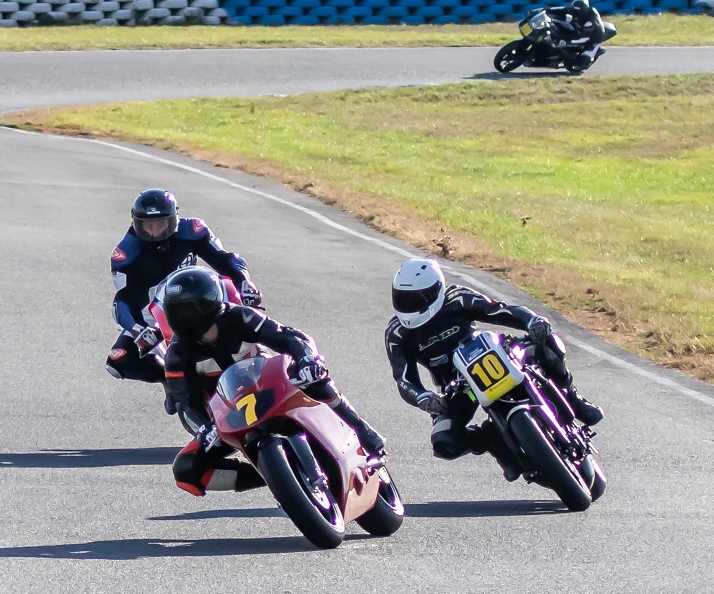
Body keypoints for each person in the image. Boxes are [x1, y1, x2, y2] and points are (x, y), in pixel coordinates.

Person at [160, 268, 385, 497]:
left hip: (271, 387)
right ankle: (274, 476)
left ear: (211, 302)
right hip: (229, 418)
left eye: (192, 308)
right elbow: (184, 404)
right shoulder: (177, 356)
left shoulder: (240, 317)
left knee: (311, 375)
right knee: (186, 468)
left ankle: (360, 428)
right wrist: (204, 429)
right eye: (177, 311)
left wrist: (308, 359)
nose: (187, 317)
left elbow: (287, 337)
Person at [384, 257, 602, 477]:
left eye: (417, 299)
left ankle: (572, 396)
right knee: (444, 442)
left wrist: (532, 321)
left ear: (437, 290)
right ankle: (490, 439)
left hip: (496, 355)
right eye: (402, 299)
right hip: (460, 389)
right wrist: (423, 397)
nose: (409, 306)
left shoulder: (457, 298)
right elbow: (404, 379)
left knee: (548, 344)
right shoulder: (397, 333)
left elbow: (500, 310)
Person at [106, 189, 259, 383]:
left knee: (249, 315)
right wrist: (138, 330)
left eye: (161, 224)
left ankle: (261, 356)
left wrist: (246, 283)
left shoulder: (193, 231)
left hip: (198, 298)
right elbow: (123, 302)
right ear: (136, 223)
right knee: (119, 360)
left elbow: (227, 260)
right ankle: (173, 381)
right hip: (155, 313)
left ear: (174, 219)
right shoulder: (125, 255)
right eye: (147, 225)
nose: (154, 232)